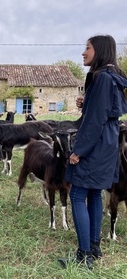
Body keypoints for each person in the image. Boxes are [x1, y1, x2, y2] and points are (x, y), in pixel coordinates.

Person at [59, 35, 127, 269]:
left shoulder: (101, 79)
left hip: (95, 143)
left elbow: (95, 120)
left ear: (100, 50)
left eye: (87, 48)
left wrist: (78, 150)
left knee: (78, 195)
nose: (83, 52)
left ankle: (83, 255)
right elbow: (107, 111)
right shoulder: (113, 77)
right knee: (95, 194)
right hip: (108, 141)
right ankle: (94, 249)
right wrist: (86, 101)